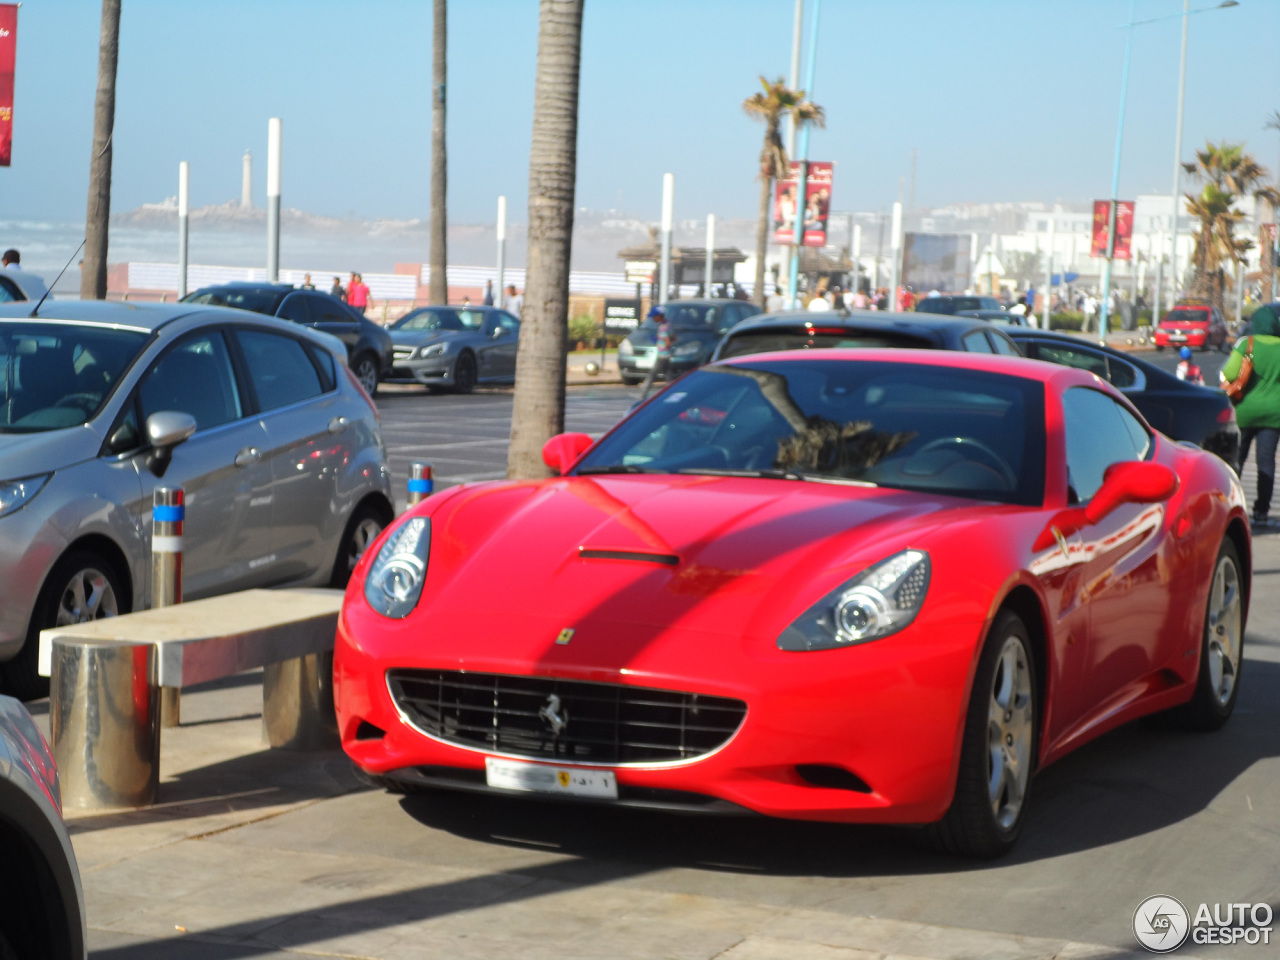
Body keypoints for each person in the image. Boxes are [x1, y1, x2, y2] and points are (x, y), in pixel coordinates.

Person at [1222, 303, 1280, 526]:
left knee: (1238, 459)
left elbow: (1229, 373)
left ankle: (1234, 503)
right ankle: (1262, 511)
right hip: (1274, 415)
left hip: (1244, 412)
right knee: (1266, 463)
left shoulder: (1248, 344)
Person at [638, 304, 675, 401]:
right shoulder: (668, 324)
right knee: (668, 376)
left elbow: (667, 341)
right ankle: (673, 393)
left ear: (659, 316)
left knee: (652, 374)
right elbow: (674, 337)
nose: (653, 319)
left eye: (654, 316)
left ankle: (643, 394)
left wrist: (662, 343)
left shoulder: (663, 327)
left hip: (663, 355)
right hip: (667, 355)